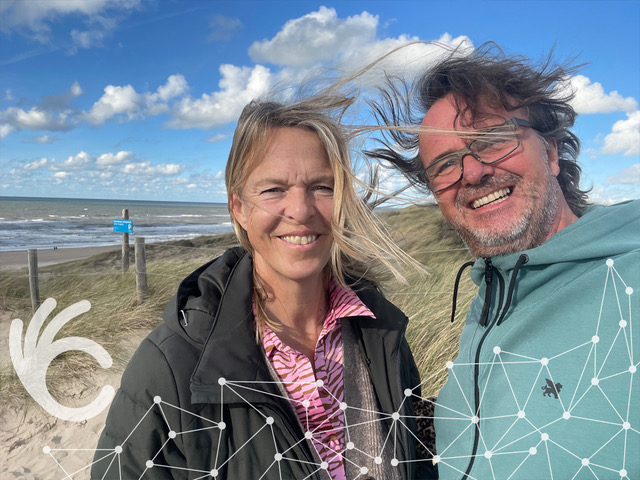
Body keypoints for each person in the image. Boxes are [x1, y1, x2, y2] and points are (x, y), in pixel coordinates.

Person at [92, 94, 436, 479]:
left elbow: (414, 458)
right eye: (273, 189)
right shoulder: (172, 366)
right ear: (238, 206)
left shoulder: (382, 332)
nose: (301, 210)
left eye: (322, 186)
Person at [368, 43, 639, 479]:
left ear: (550, 153)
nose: (471, 173)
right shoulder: (487, 303)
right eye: (445, 165)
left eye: (492, 141)